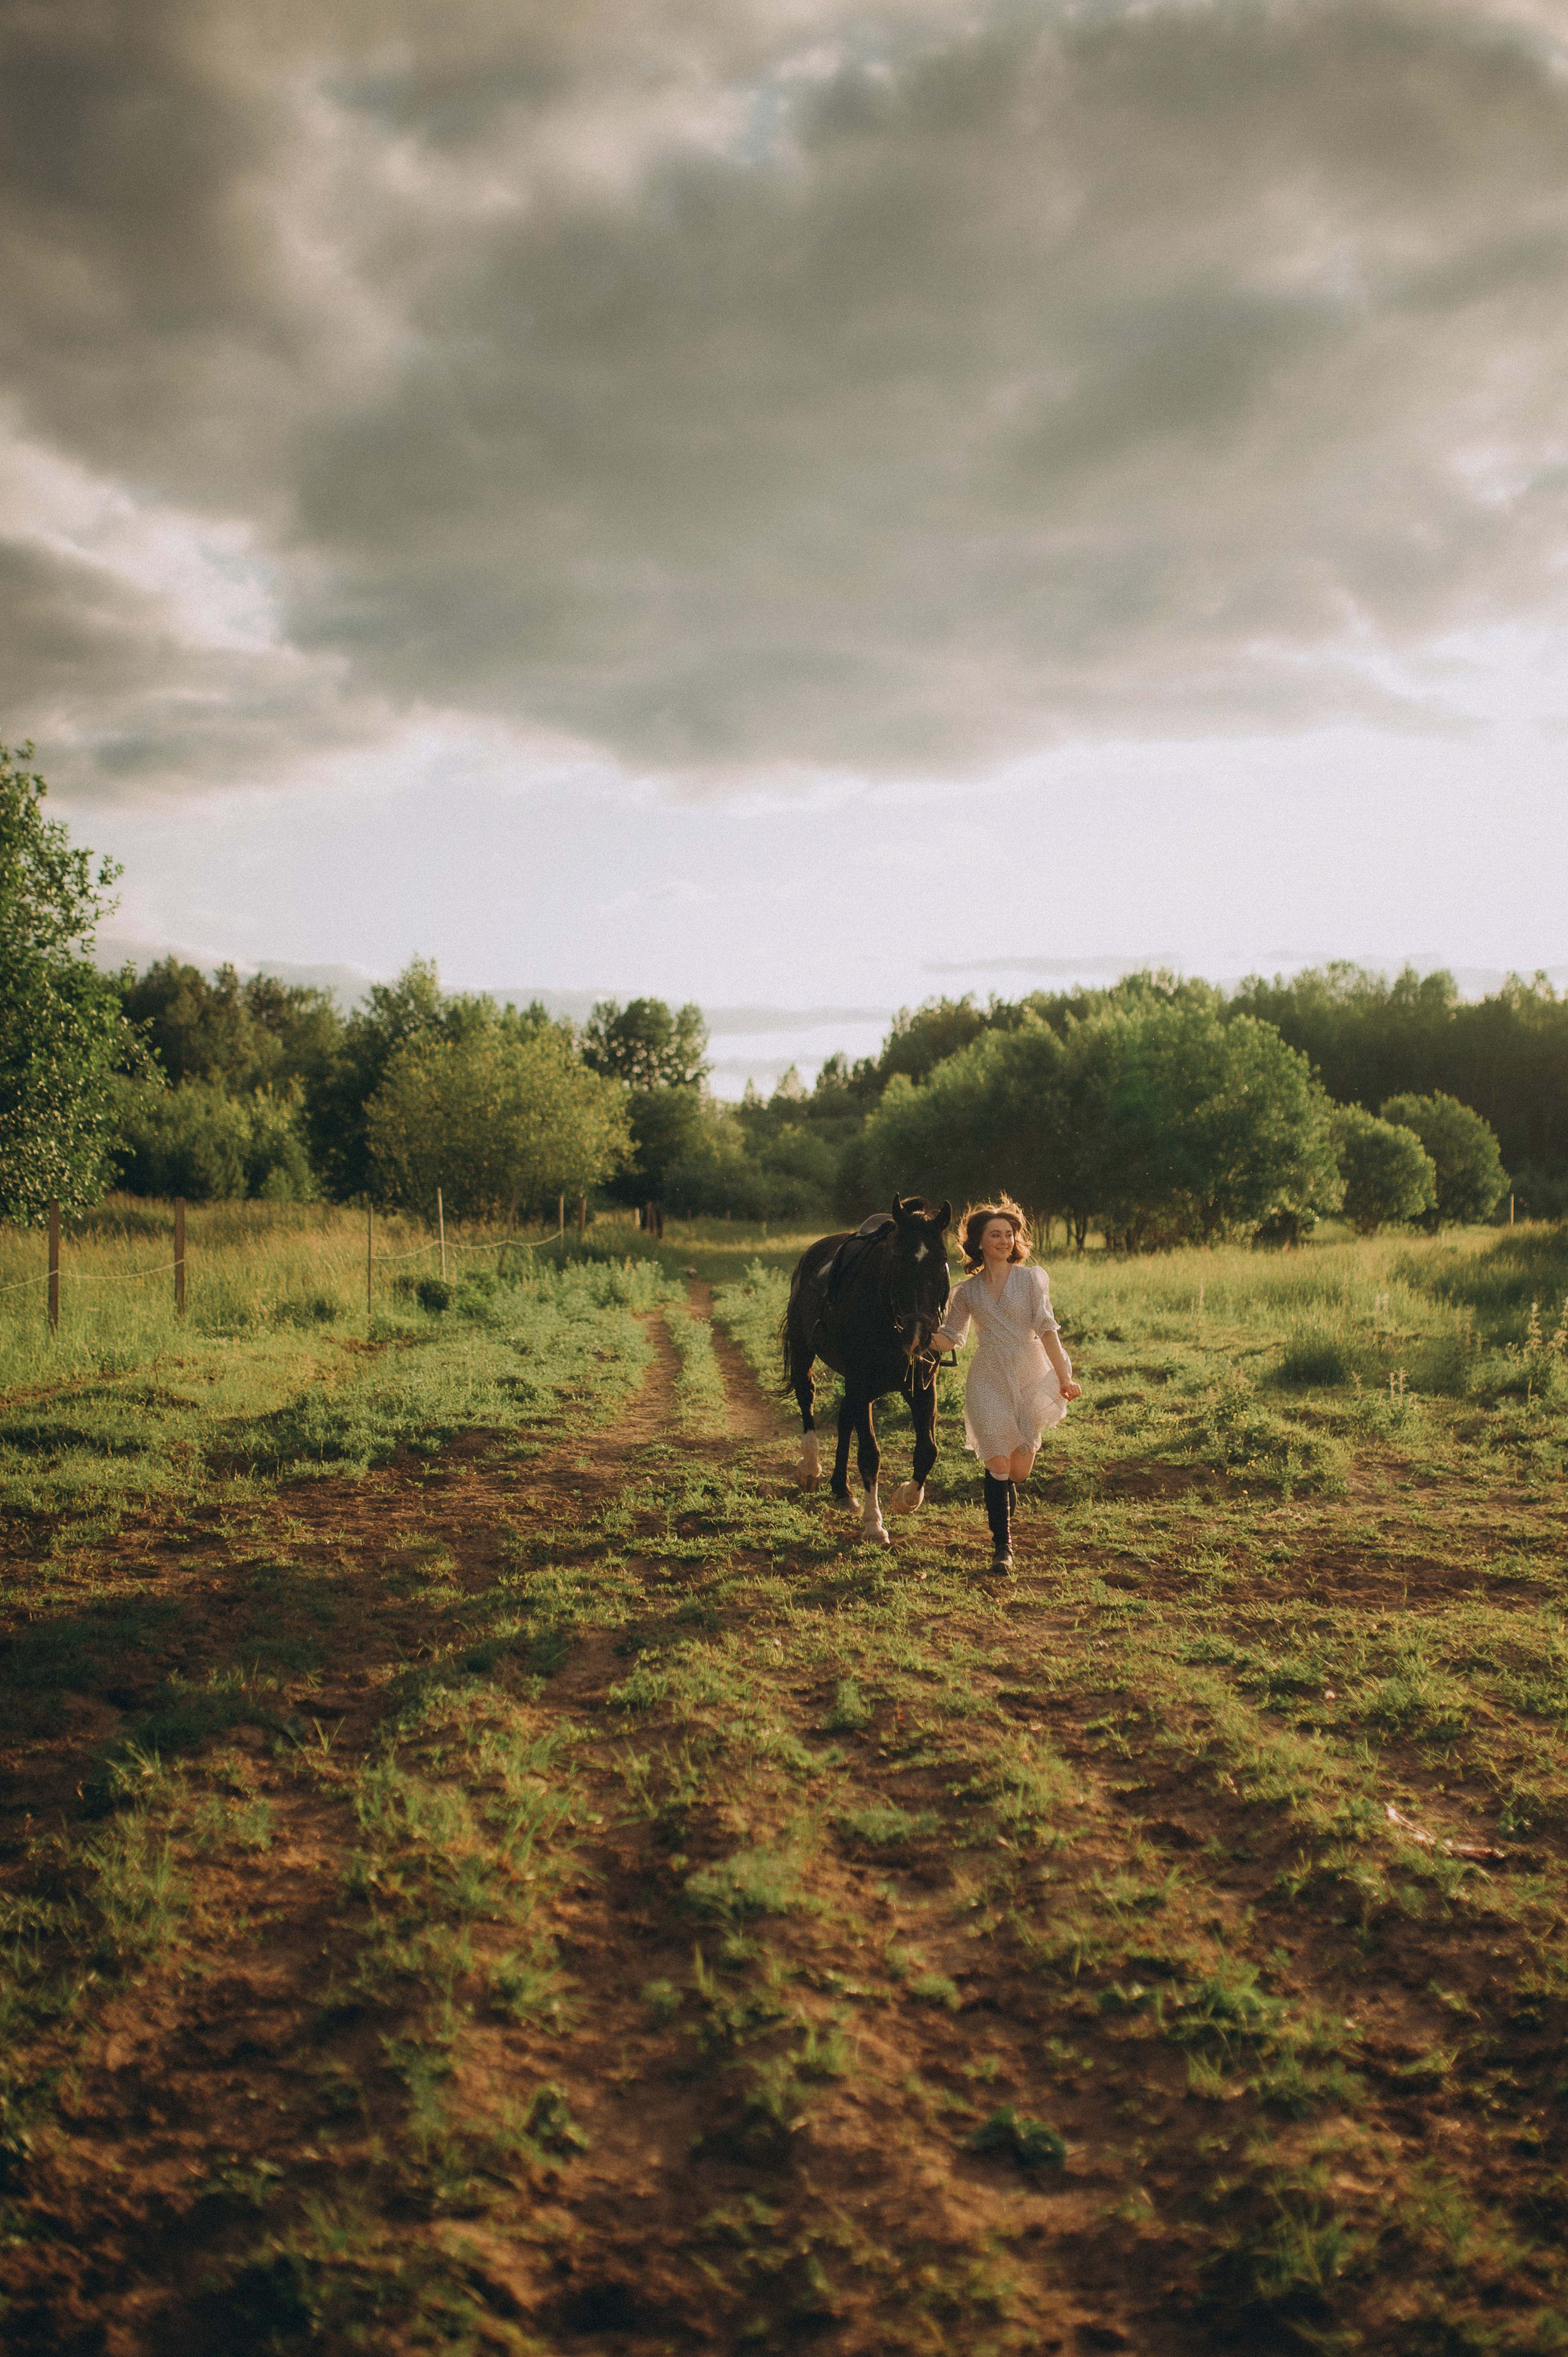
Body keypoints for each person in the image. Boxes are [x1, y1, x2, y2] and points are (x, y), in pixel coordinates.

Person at [930, 1197, 1081, 1572]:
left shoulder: (1031, 1280)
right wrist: (917, 1338)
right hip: (988, 1374)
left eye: (1009, 1235)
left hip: (1030, 1370)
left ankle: (1006, 1490)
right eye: (995, 1235)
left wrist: (1064, 1377)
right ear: (979, 1242)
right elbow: (951, 1337)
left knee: (1019, 1470)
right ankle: (1003, 1548)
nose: (1003, 1241)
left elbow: (1047, 1329)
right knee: (997, 1457)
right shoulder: (965, 1292)